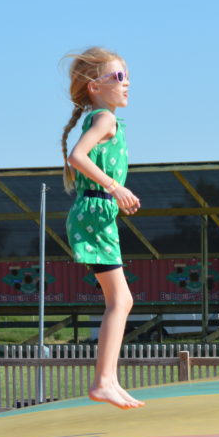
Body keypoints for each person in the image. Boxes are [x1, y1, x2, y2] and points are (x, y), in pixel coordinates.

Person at [61, 47, 144, 409]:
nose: (127, 84)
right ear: (95, 86)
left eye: (127, 76)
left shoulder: (102, 119)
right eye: (119, 77)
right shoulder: (104, 120)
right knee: (121, 299)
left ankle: (107, 379)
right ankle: (104, 381)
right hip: (95, 210)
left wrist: (115, 194)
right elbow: (76, 157)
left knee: (120, 299)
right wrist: (115, 187)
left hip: (96, 211)